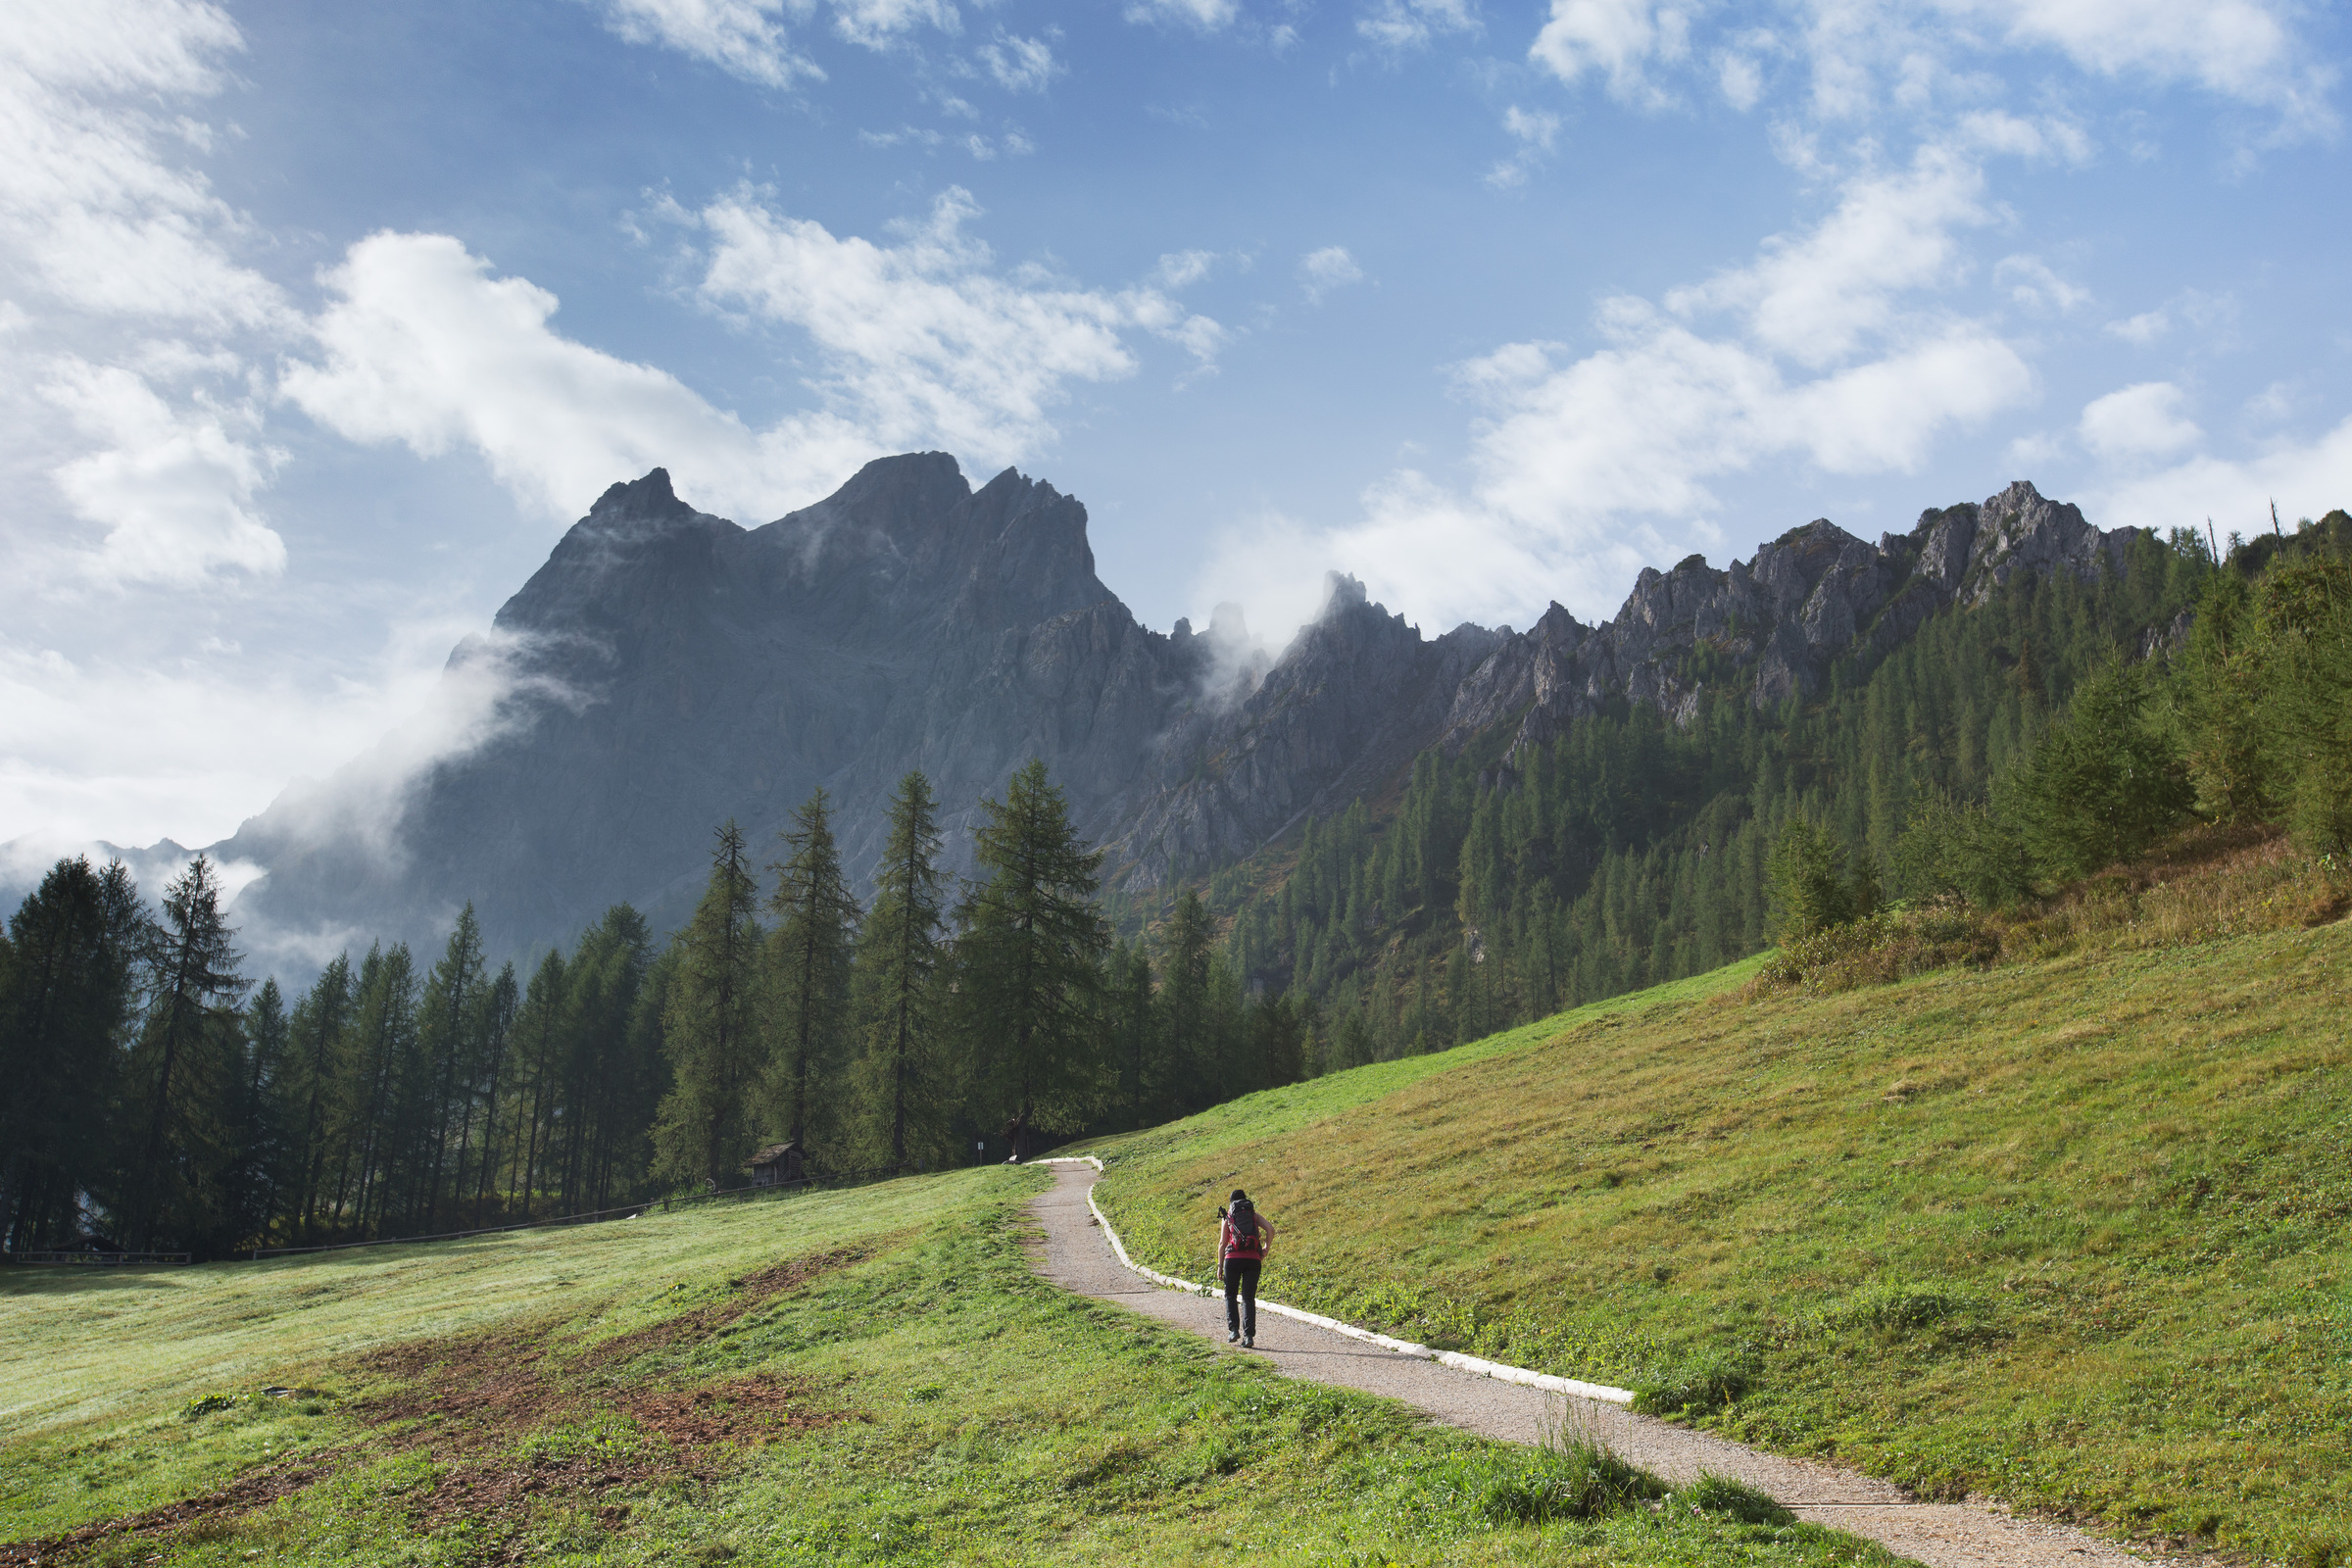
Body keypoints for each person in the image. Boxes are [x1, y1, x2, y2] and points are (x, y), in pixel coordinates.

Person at [1217, 1188, 1277, 1347]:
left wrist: (1219, 1266)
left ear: (1231, 1203)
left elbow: (1223, 1243)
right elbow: (1270, 1229)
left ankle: (1234, 1330)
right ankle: (1249, 1336)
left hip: (1232, 1259)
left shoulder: (1228, 1217)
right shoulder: (1254, 1216)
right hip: (1253, 1259)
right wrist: (1265, 1249)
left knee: (1230, 1295)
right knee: (1248, 1298)